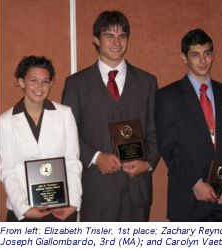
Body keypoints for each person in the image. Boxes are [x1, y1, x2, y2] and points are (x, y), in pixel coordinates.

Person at [62, 11, 160, 222]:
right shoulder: (76, 85)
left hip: (137, 191)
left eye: (122, 36)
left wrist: (148, 163)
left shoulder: (147, 82)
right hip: (97, 190)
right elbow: (68, 135)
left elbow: (155, 131)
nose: (117, 42)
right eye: (109, 35)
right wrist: (96, 157)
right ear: (96, 40)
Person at [154, 29, 222, 222]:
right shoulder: (168, 97)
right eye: (195, 55)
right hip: (188, 200)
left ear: (213, 55)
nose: (203, 60)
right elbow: (169, 148)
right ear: (184, 57)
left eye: (206, 53)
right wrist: (195, 183)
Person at [0, 55, 82, 222]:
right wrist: (24, 209)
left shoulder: (65, 114)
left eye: (45, 81)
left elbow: (72, 161)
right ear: (21, 82)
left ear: (51, 84)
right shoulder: (3, 122)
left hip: (61, 209)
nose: (39, 87)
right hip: (23, 211)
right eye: (33, 80)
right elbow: (7, 170)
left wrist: (73, 203)